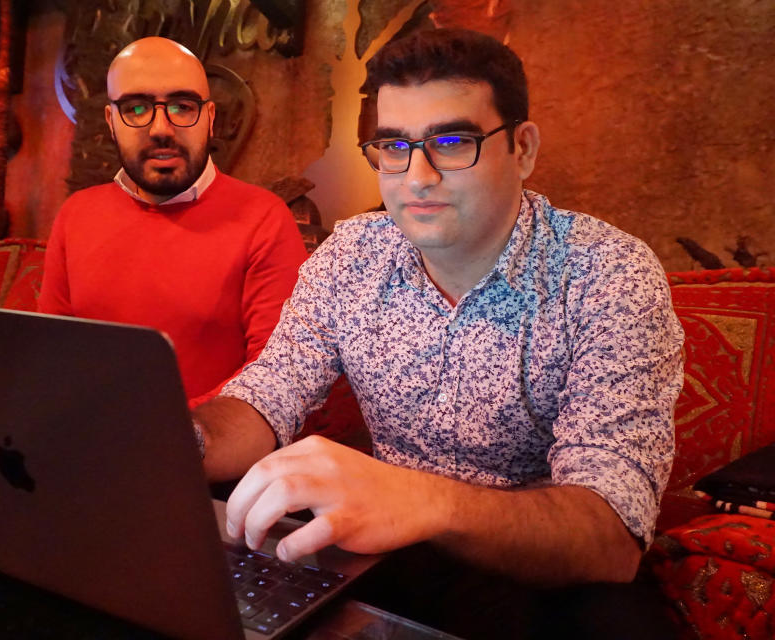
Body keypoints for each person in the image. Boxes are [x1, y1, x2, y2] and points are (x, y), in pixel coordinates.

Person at [192, 26, 684, 597]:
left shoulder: (607, 275)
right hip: (386, 561)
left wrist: (419, 500)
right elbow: (266, 397)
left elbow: (609, 537)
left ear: (521, 149)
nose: (417, 178)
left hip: (542, 582)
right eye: (395, 147)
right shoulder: (353, 255)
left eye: (452, 143)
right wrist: (179, 441)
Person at [39, 37, 307, 407]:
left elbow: (278, 377)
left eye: (182, 106)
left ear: (210, 119)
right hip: (87, 441)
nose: (161, 128)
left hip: (207, 452)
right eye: (136, 108)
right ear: (111, 121)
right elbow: (53, 355)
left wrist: (163, 431)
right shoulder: (75, 215)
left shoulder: (264, 219)